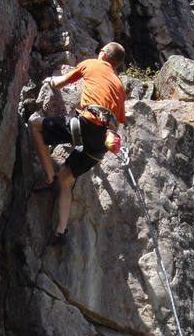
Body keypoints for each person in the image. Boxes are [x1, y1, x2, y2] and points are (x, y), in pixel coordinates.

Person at [29, 42, 126, 245]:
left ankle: (48, 177)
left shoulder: (91, 64)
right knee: (66, 180)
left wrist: (49, 80)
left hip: (86, 124)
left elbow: (60, 83)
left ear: (103, 54)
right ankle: (61, 231)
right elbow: (118, 120)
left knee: (35, 125)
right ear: (116, 65)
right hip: (101, 143)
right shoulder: (119, 86)